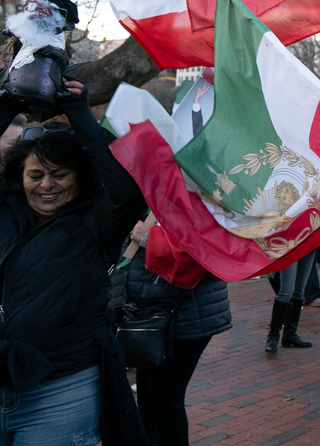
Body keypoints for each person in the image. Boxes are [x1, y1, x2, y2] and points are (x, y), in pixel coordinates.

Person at [0, 80, 148, 445]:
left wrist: (79, 112)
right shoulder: (6, 212)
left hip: (62, 391)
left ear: (79, 179)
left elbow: (127, 190)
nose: (46, 185)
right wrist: (6, 102)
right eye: (36, 175)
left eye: (59, 174)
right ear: (21, 177)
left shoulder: (97, 223)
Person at [126, 218, 232, 445]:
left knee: (165, 402)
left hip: (184, 314)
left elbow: (199, 255)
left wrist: (147, 238)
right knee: (149, 400)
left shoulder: (201, 191)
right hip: (161, 312)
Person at [263, 251, 318, 352]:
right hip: (289, 245)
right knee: (286, 291)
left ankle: (290, 334)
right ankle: (273, 337)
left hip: (309, 245)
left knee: (299, 291)